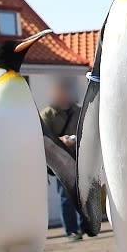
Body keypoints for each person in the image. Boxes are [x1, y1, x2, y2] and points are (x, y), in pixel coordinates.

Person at [40, 78, 82, 241]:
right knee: (66, 195)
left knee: (84, 192)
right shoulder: (47, 114)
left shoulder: (78, 111)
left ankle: (86, 224)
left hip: (78, 157)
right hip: (60, 160)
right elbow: (43, 137)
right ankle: (71, 230)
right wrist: (61, 140)